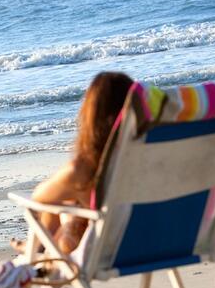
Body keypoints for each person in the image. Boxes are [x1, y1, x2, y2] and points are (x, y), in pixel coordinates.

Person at [12, 71, 134, 255]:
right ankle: (37, 246)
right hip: (158, 244)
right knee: (75, 200)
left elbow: (38, 197)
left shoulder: (81, 171)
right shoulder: (153, 157)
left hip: (106, 253)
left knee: (65, 201)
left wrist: (69, 211)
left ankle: (36, 247)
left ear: (91, 116)